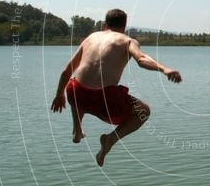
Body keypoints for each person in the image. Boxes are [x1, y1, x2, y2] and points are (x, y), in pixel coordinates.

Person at [50, 9, 182, 166]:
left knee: (76, 85)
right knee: (144, 111)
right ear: (124, 26)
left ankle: (77, 130)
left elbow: (67, 71)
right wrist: (164, 69)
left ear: (105, 25)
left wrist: (59, 94)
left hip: (76, 94)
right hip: (106, 100)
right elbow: (141, 59)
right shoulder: (127, 41)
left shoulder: (91, 37)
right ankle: (110, 139)